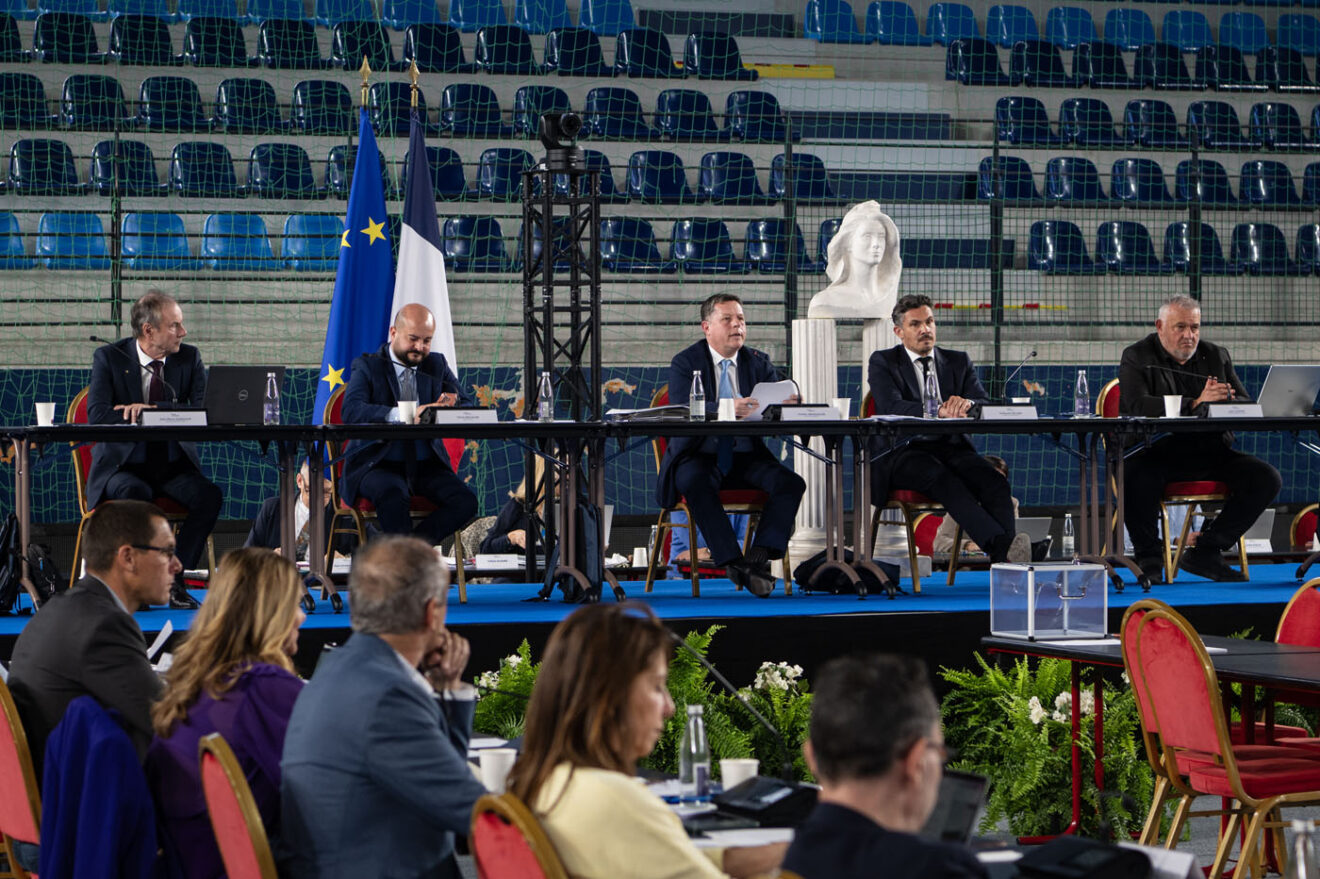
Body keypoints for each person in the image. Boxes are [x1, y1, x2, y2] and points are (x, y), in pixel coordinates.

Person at [506, 603, 786, 879]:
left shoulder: (545, 779)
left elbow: (664, 854)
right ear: (610, 699)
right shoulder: (615, 799)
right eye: (656, 686)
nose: (669, 707)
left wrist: (787, 851)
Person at [280, 535, 485, 879]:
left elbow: (443, 781)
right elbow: (472, 811)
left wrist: (448, 688)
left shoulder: (337, 667)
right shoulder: (388, 697)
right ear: (431, 613)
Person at [145, 548, 306, 879]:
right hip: (233, 864)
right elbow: (323, 782)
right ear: (268, 613)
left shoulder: (194, 680)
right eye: (293, 604)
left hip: (188, 859)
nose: (301, 617)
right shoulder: (264, 687)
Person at [1119, 294, 1281, 583]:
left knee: (1265, 478)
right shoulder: (1137, 356)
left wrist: (1228, 399)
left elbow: (1245, 402)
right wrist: (1195, 403)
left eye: (1194, 327)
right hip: (1156, 452)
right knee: (1134, 474)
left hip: (1209, 452)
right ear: (1160, 326)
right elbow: (1137, 406)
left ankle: (1206, 550)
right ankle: (1150, 558)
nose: (1189, 335)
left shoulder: (1216, 355)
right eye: (1180, 327)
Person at [782, 654, 987, 879]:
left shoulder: (783, 861)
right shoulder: (942, 868)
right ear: (916, 761)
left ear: (811, 757)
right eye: (938, 752)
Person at [8, 500, 173, 775]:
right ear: (128, 557)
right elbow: (166, 724)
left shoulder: (60, 610)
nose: (177, 565)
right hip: (84, 803)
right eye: (167, 552)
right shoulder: (105, 625)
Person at [658, 293, 806, 598]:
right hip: (698, 453)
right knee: (694, 481)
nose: (736, 325)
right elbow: (683, 409)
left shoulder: (757, 360)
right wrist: (726, 408)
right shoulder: (686, 362)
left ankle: (757, 556)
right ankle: (732, 561)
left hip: (745, 455)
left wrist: (791, 401)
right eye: (727, 319)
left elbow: (780, 391)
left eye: (741, 319)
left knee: (791, 483)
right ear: (706, 327)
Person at [86, 290, 221, 609]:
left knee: (209, 496)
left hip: (173, 465)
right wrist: (133, 412)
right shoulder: (109, 357)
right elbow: (97, 414)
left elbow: (202, 411)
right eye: (175, 326)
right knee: (135, 494)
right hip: (124, 467)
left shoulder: (189, 357)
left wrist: (150, 409)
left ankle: (175, 579)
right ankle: (137, 584)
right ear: (149, 331)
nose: (183, 333)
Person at [869, 294, 1018, 563]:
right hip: (904, 452)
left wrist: (967, 403)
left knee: (993, 480)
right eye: (916, 324)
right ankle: (1004, 550)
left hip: (951, 448)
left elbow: (982, 402)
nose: (925, 330)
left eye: (930, 321)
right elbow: (891, 406)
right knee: (943, 478)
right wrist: (937, 409)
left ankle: (1005, 557)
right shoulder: (883, 361)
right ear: (899, 331)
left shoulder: (958, 361)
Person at [342, 304, 479, 547]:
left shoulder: (436, 364)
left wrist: (449, 405)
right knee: (394, 495)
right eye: (413, 339)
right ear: (394, 332)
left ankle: (409, 551)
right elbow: (352, 410)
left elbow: (466, 401)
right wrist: (406, 414)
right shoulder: (368, 366)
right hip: (377, 464)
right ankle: (406, 567)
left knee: (466, 501)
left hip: (426, 465)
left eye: (427, 340)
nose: (420, 347)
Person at [245, 460, 357, 562]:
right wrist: (270, 557)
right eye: (311, 490)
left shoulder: (343, 514)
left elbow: (371, 550)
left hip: (324, 582)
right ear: (299, 481)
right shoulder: (272, 509)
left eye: (326, 492)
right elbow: (247, 555)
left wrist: (345, 560)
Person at [808, 200, 903, 320]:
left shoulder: (887, 293)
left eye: (881, 236)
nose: (876, 244)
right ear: (848, 243)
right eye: (867, 236)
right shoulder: (824, 300)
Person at [932, 455, 1029, 564]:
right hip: (969, 565)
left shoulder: (1012, 503)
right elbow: (939, 542)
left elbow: (1014, 539)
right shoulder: (963, 503)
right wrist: (967, 545)